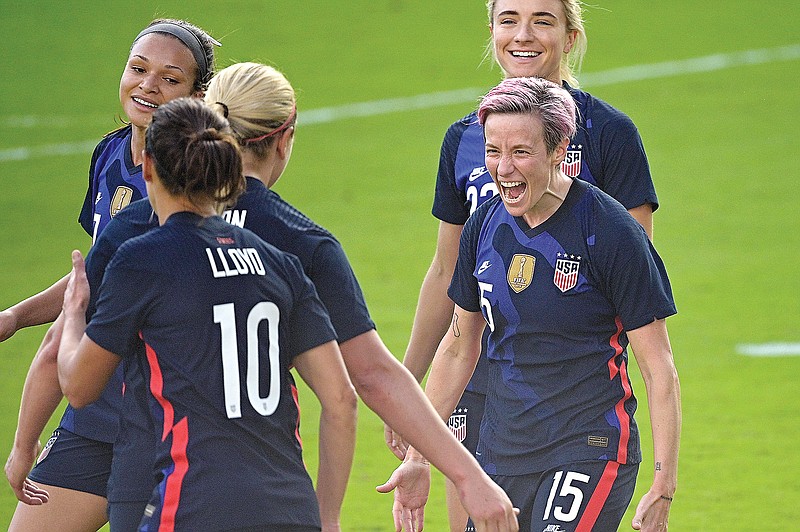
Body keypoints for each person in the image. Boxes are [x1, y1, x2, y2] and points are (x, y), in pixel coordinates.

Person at [98, 61, 517, 531]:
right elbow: (368, 378)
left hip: (149, 485)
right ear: (285, 137)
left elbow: (70, 359)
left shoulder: (136, 230)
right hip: (272, 497)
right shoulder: (299, 243)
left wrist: (24, 441)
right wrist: (468, 477)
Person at [388, 1, 660, 529]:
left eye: (542, 20)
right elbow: (446, 273)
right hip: (477, 369)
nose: (523, 35)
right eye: (509, 19)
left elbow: (637, 269)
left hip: (564, 382)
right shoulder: (465, 139)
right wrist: (409, 390)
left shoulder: (608, 132)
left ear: (571, 33)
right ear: (490, 31)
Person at [56, 96, 359, 531]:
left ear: (147, 167)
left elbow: (79, 387)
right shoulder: (280, 262)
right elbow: (342, 398)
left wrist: (74, 315)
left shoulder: (142, 260)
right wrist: (326, 518)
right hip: (290, 509)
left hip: (193, 505)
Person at [4, 18, 219, 531]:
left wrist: (24, 440)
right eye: (138, 69)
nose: (147, 86)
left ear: (198, 94)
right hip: (97, 406)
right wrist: (16, 316)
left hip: (166, 415)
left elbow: (84, 310)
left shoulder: (196, 184)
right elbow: (90, 275)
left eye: (170, 79)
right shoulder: (110, 155)